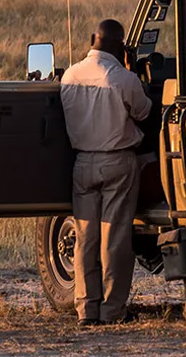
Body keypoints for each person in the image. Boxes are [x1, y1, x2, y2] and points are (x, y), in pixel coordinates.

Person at [59, 19, 153, 326]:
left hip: (82, 162)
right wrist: (132, 71)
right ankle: (112, 309)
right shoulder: (123, 78)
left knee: (86, 237)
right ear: (122, 48)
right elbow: (143, 112)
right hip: (118, 162)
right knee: (114, 236)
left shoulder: (70, 75)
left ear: (91, 40)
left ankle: (86, 308)